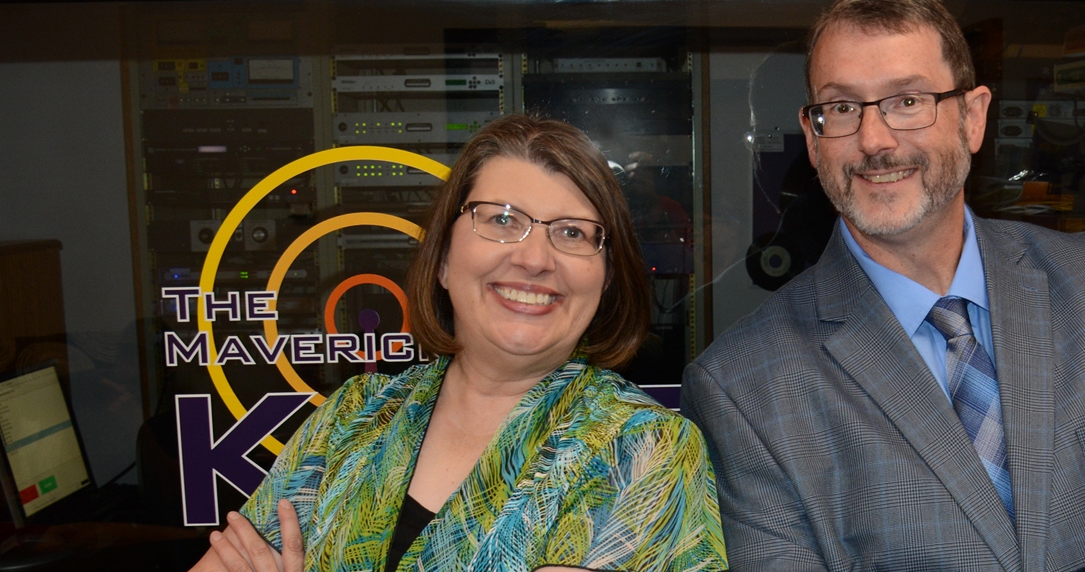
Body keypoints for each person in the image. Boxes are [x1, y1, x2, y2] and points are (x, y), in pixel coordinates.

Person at [681, 0, 1085, 572]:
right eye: (842, 107)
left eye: (907, 101)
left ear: (972, 120)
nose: (874, 139)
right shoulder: (743, 386)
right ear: (815, 141)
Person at [192, 114, 728, 572]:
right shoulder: (351, 421)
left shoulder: (643, 449)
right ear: (444, 259)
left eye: (572, 233)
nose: (535, 258)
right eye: (500, 219)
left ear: (606, 277)